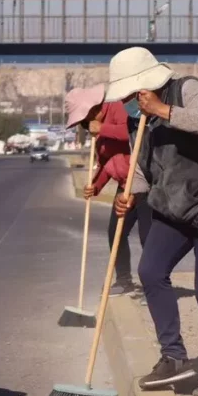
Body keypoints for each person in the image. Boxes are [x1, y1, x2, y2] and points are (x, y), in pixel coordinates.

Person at [106, 46, 198, 396]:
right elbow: (144, 167)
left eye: (127, 92)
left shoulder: (188, 89)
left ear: (144, 84)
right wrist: (129, 195)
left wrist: (163, 110)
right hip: (175, 208)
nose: (125, 100)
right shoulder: (137, 119)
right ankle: (173, 357)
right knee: (151, 271)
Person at [64, 85, 152, 296]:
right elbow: (105, 163)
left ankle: (153, 287)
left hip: (144, 184)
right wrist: (95, 186)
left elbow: (130, 133)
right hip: (124, 186)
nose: (86, 126)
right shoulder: (98, 130)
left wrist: (101, 129)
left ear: (94, 109)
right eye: (83, 124)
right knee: (116, 233)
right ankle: (123, 280)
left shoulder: (119, 106)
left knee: (148, 237)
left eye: (84, 121)